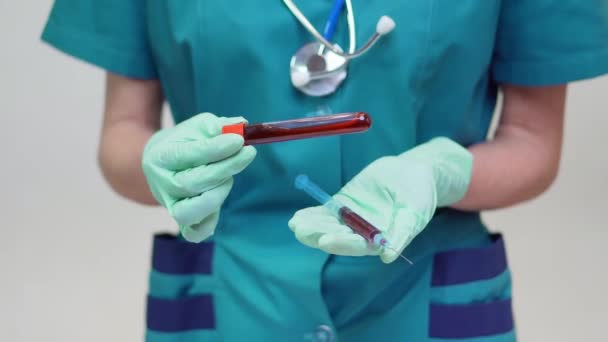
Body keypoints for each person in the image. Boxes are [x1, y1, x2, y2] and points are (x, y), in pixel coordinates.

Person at [41, 0, 608, 340]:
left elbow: (532, 141)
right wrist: (161, 164)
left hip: (422, 291)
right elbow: (122, 136)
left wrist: (442, 172)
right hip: (226, 294)